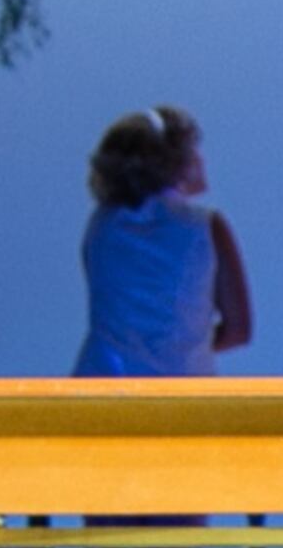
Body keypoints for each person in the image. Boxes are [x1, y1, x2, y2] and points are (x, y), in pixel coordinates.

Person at [74, 105, 250, 375]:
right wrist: (184, 344)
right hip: (180, 393)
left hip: (101, 384)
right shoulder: (206, 227)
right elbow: (239, 329)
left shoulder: (101, 227)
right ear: (177, 161)